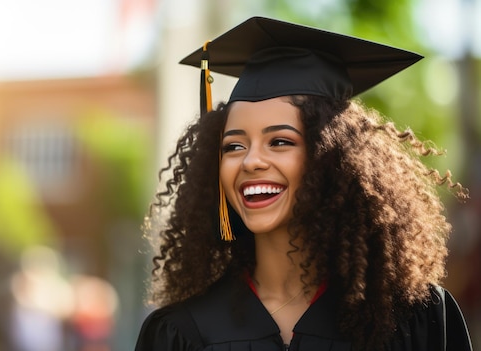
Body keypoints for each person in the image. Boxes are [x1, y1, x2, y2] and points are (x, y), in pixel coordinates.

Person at [135, 17, 473, 351]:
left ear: (332, 159)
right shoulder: (179, 332)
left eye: (280, 142)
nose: (251, 161)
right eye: (234, 146)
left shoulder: (412, 319)